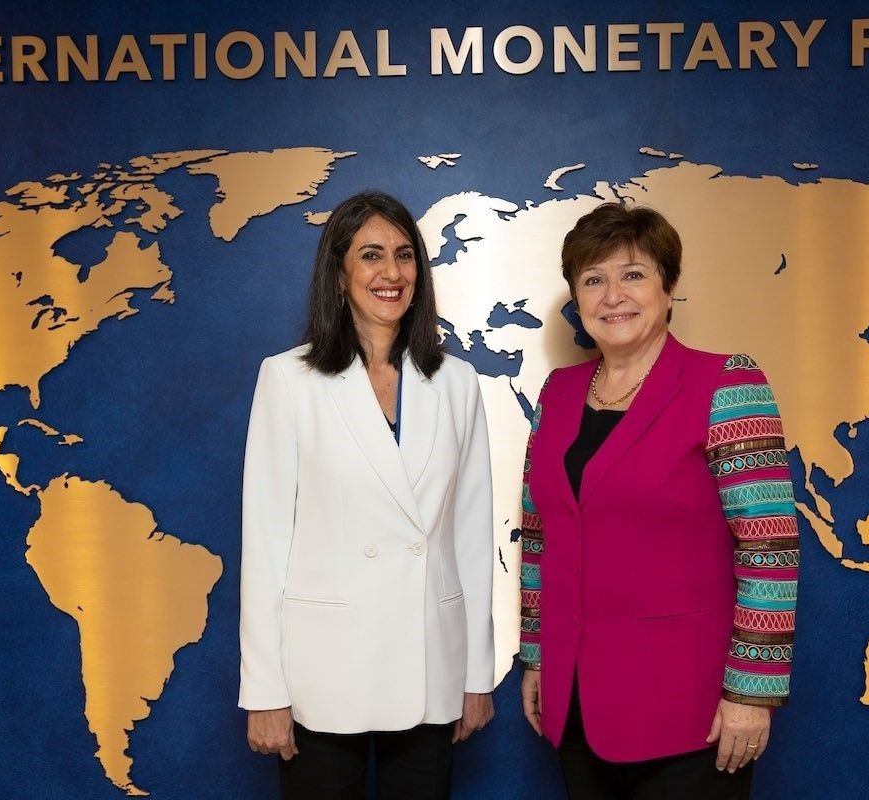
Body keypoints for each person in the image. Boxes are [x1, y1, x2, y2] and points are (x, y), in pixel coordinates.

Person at [518, 203, 799, 799]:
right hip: (576, 704)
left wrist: (752, 693)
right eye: (593, 279)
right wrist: (538, 657)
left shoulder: (727, 385)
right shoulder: (557, 393)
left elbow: (769, 548)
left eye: (633, 274)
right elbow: (541, 537)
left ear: (668, 288)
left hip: (690, 713)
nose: (613, 295)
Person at [239, 190, 495, 800]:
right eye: (371, 255)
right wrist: (265, 691)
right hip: (325, 671)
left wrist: (475, 675)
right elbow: (265, 541)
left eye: (405, 255)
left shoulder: (456, 382)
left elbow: (472, 533)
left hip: (429, 662)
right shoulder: (289, 379)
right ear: (339, 273)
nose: (392, 273)